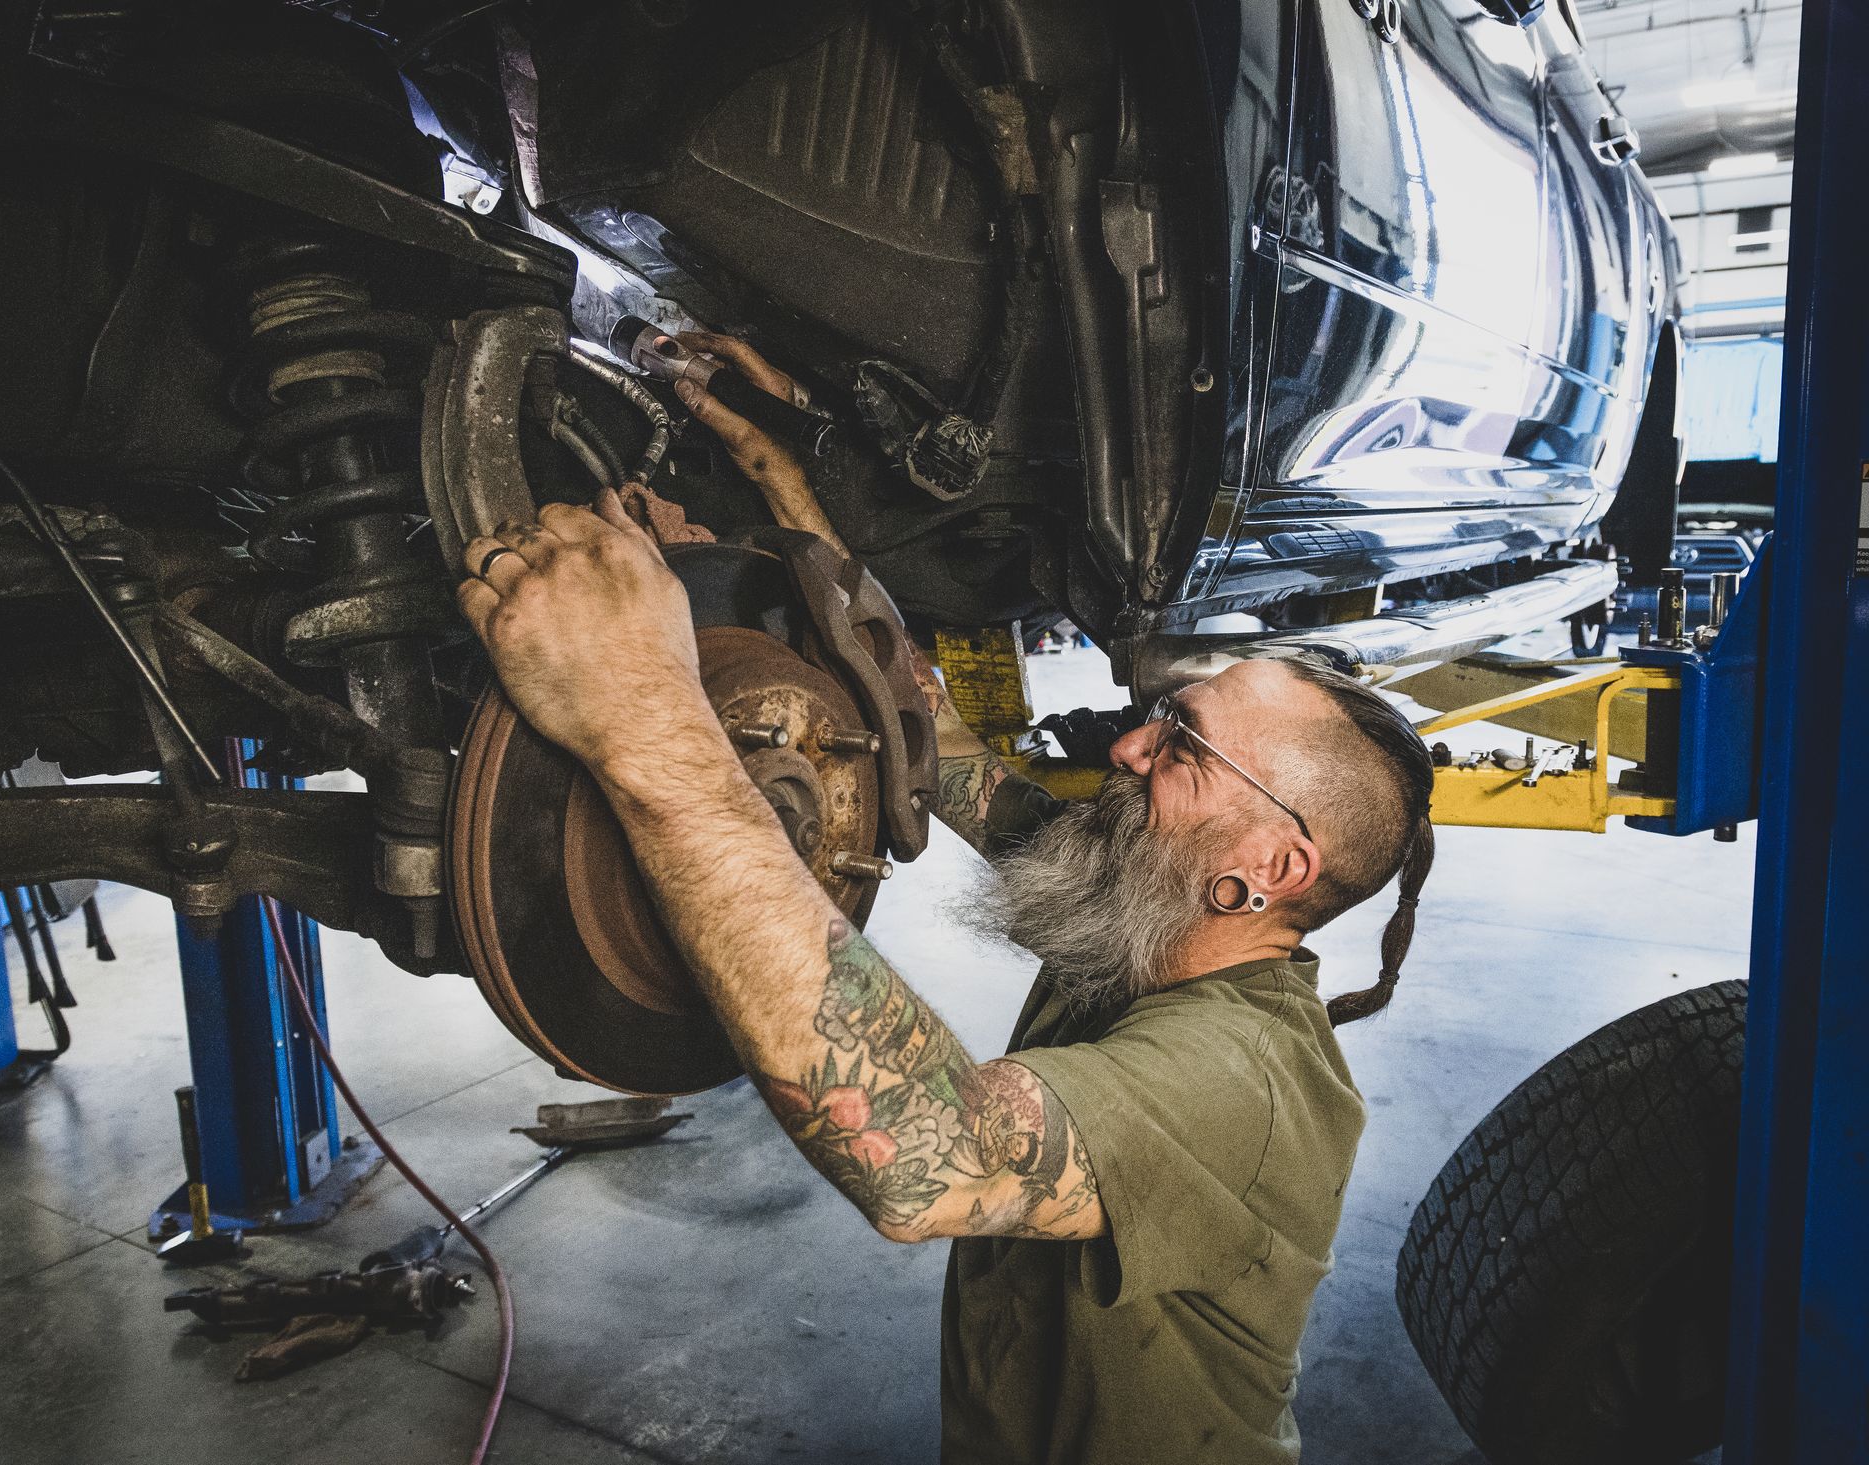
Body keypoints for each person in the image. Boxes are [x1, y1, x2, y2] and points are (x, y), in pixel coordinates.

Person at [455, 334, 1437, 1464]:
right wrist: (784, 500)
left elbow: (927, 1155)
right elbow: (937, 735)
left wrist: (649, 718)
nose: (1125, 748)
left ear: (1274, 868)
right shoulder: (1144, 897)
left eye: (1182, 748)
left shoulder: (1248, 1085)